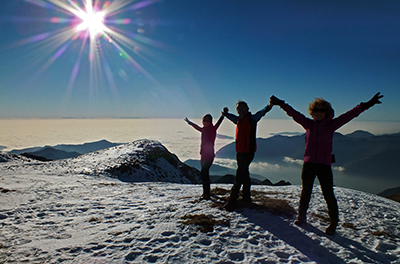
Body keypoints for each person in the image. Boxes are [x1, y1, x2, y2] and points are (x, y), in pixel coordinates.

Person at [270, 92, 383, 235]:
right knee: (306, 191)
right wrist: (281, 104)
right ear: (312, 112)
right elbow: (294, 114)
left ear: (327, 112)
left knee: (328, 193)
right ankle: (301, 215)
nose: (318, 113)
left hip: (324, 165)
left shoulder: (331, 126)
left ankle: (333, 221)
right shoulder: (308, 124)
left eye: (322, 110)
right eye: (316, 110)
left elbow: (350, 115)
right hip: (309, 163)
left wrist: (366, 104)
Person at [222, 101, 273, 211]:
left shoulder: (252, 119)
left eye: (242, 108)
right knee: (244, 174)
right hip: (240, 151)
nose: (240, 110)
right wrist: (226, 114)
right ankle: (246, 197)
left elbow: (262, 112)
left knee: (239, 175)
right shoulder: (239, 120)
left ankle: (232, 200)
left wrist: (269, 106)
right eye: (238, 109)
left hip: (248, 152)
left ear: (247, 108)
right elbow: (233, 118)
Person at [184, 114, 224, 200]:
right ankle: (206, 193)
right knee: (204, 174)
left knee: (203, 173)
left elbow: (218, 123)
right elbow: (196, 127)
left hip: (210, 155)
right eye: (204, 121)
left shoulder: (213, 129)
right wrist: (189, 123)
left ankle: (207, 193)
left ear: (210, 122)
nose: (205, 123)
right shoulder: (203, 130)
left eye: (207, 121)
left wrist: (222, 116)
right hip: (203, 155)